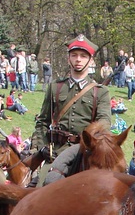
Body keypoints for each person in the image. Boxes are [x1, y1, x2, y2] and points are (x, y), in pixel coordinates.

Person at [31, 37, 110, 180]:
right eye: (74, 55)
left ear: (91, 61)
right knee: (43, 184)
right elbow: (42, 121)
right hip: (56, 153)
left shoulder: (100, 91)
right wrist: (44, 147)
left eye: (83, 56)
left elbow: (104, 123)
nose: (78, 59)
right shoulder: (55, 87)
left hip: (86, 154)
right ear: (68, 59)